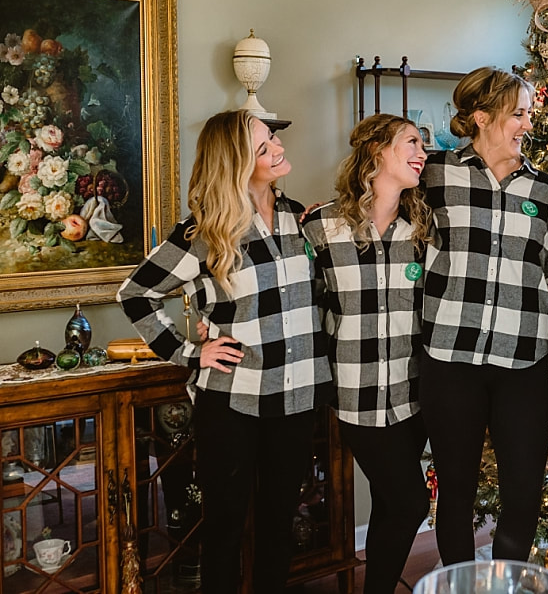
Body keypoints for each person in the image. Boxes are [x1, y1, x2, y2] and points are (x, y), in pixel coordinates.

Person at [117, 110, 332, 594]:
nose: (277, 148)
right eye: (263, 147)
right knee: (224, 529)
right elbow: (135, 294)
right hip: (232, 401)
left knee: (279, 527)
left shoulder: (303, 223)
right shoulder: (205, 233)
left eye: (272, 137)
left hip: (296, 398)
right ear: (236, 163)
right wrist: (191, 351)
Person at [417, 66, 548, 564]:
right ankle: (458, 580)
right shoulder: (434, 174)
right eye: (517, 114)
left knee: (522, 490)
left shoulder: (546, 192)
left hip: (522, 362)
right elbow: (384, 215)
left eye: (529, 113)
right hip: (449, 358)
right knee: (455, 489)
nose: (528, 123)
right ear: (481, 117)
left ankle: (509, 581)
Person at [301, 114, 430, 594]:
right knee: (410, 501)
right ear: (377, 153)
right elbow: (299, 300)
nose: (422, 153)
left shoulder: (424, 227)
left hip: (414, 393)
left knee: (388, 501)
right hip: (355, 394)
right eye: (412, 143)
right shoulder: (320, 226)